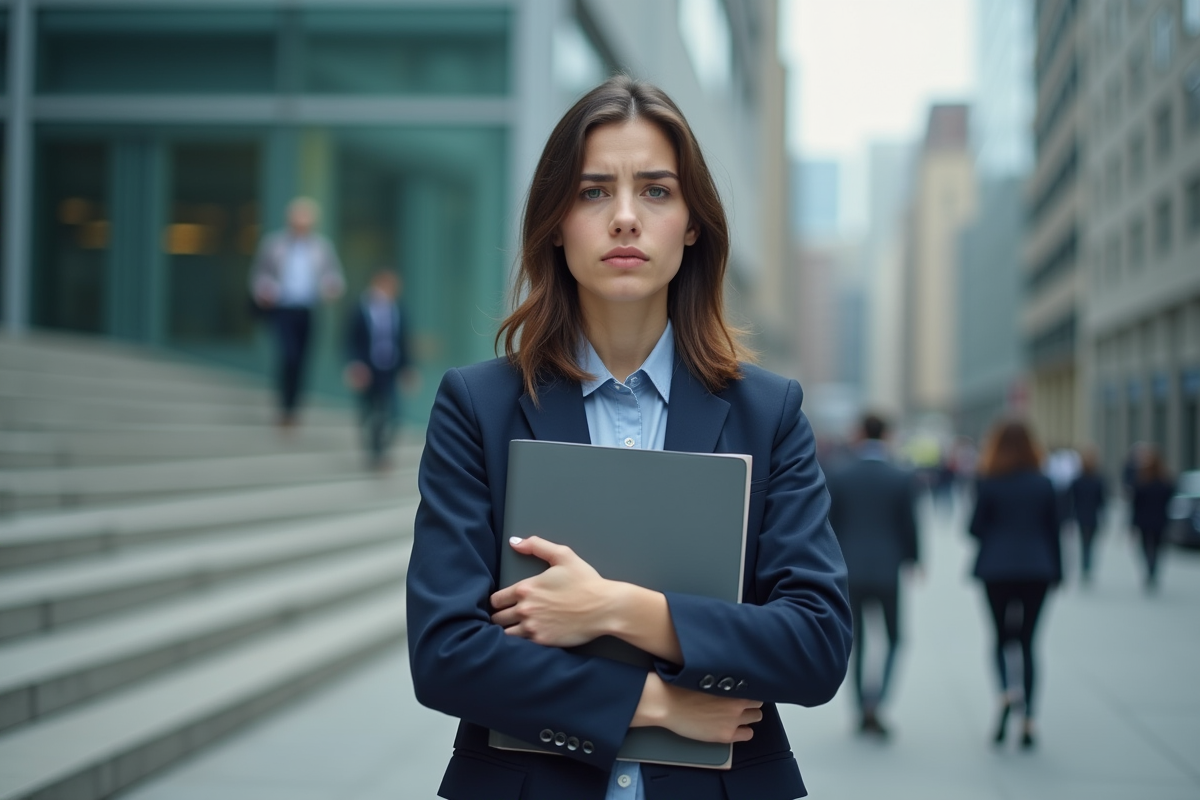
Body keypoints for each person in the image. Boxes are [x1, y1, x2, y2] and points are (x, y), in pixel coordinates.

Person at [406, 76, 852, 800]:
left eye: (654, 190)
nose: (623, 218)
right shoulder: (478, 407)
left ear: (693, 222)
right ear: (555, 222)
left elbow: (817, 645)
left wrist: (618, 609)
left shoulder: (766, 413)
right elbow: (445, 654)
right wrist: (654, 708)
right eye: (591, 192)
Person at [967, 419, 1061, 750]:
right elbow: (1055, 531)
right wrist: (1059, 572)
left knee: (1000, 638)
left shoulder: (989, 482)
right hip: (1038, 569)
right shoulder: (1044, 483)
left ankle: (1006, 692)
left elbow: (974, 528)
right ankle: (1030, 718)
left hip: (996, 568)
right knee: (1029, 642)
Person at [825, 413, 919, 739]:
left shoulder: (840, 472)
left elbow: (829, 524)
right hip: (887, 569)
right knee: (894, 638)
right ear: (887, 434)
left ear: (860, 433)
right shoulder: (901, 475)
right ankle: (877, 702)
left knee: (857, 642)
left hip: (849, 570)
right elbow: (909, 523)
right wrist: (914, 559)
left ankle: (860, 706)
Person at [248, 196, 345, 428]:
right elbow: (258, 275)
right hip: (282, 309)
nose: (301, 228)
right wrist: (265, 290)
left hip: (308, 310)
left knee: (302, 360)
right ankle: (284, 406)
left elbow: (335, 277)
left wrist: (331, 286)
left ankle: (293, 409)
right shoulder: (274, 244)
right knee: (288, 356)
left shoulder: (321, 247)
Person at [344, 269, 413, 470]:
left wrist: (408, 368)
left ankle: (382, 452)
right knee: (370, 413)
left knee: (393, 414)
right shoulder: (360, 309)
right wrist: (355, 365)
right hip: (368, 369)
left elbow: (404, 341)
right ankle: (375, 452)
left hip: (389, 369)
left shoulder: (398, 310)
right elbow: (349, 340)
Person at [1130, 446, 1174, 591]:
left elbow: (1135, 503)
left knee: (1146, 547)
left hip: (1144, 520)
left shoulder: (1142, 481)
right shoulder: (1164, 481)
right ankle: (1152, 569)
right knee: (1157, 547)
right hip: (1159, 520)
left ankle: (1150, 569)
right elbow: (1169, 498)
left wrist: (1132, 523)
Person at [1068, 447, 1107, 584]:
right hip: (1092, 516)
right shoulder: (1098, 480)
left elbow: (1071, 501)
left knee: (1084, 543)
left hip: (1081, 516)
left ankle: (1085, 566)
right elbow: (1102, 502)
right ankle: (1087, 566)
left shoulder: (1077, 480)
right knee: (1089, 544)